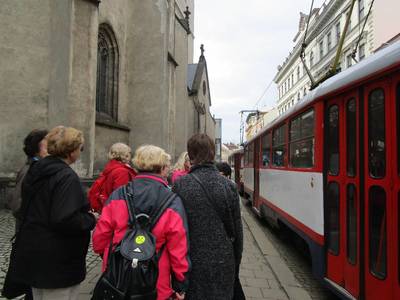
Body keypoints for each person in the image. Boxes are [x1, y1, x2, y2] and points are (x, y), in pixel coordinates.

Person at [92, 145, 190, 300]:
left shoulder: (119, 194)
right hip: (155, 281)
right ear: (163, 169)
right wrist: (181, 282)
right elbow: (178, 248)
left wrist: (107, 255)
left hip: (117, 279)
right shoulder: (172, 201)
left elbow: (100, 237)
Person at [14, 126, 96, 300]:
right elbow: (64, 218)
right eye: (80, 148)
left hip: (37, 253)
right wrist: (90, 219)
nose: (80, 152)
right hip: (58, 261)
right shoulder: (66, 176)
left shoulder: (37, 169)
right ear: (71, 150)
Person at [173, 134, 244, 300]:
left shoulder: (180, 185)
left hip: (191, 262)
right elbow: (238, 235)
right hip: (223, 262)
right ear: (212, 154)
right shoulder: (228, 186)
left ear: (190, 156)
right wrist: (235, 265)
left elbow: (175, 230)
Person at [8, 129, 48, 230]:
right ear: (36, 150)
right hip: (29, 230)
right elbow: (17, 205)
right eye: (46, 148)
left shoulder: (39, 167)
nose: (51, 151)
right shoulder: (30, 170)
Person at [88, 142, 137, 213]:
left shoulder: (111, 167)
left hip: (105, 207)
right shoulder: (122, 172)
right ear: (125, 155)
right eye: (129, 153)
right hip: (114, 211)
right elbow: (120, 196)